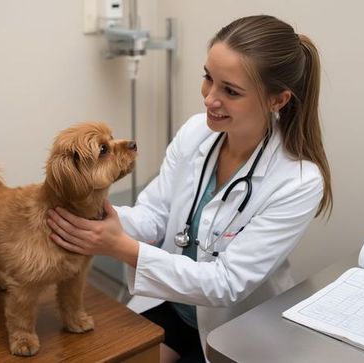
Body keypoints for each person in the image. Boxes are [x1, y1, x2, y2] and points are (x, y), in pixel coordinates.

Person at [47, 14, 332, 363]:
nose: (210, 98)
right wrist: (96, 221)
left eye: (230, 91)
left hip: (233, 327)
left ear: (278, 100)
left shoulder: (298, 180)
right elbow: (155, 214)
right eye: (208, 78)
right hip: (173, 305)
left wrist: (122, 248)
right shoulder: (196, 132)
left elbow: (227, 284)